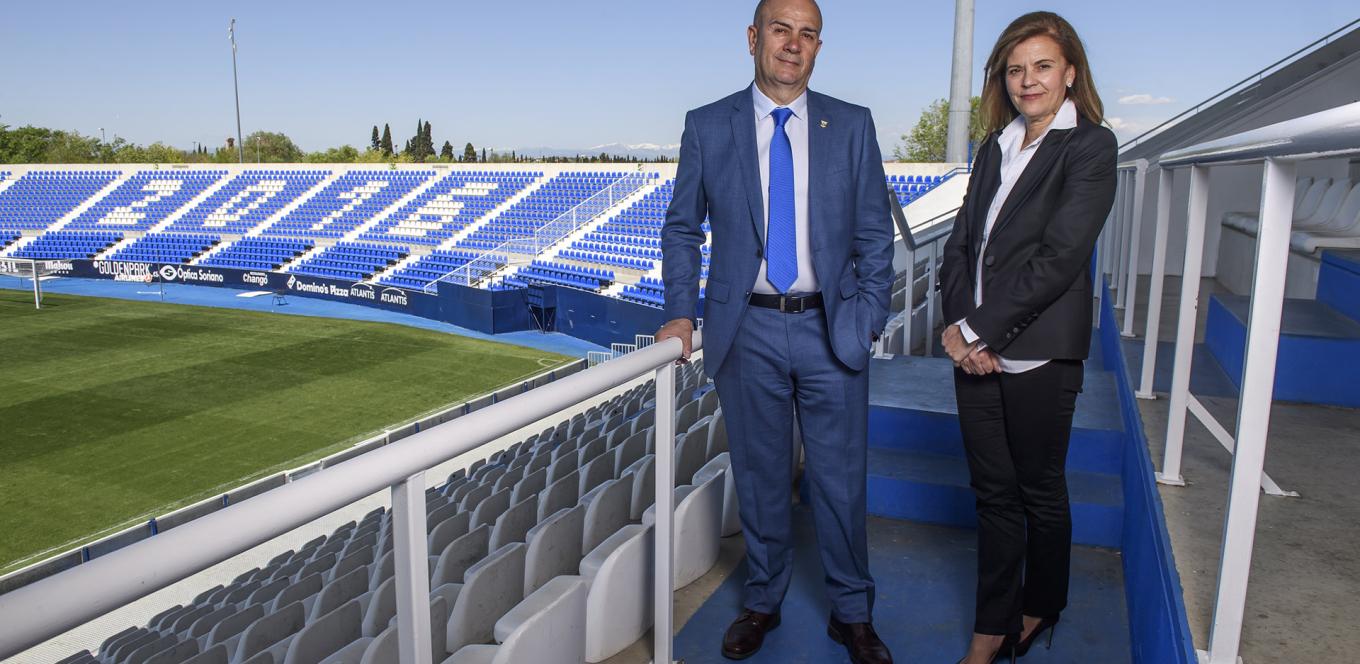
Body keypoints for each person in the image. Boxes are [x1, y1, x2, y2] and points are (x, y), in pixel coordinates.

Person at [657, 0, 894, 661]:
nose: (793, 43)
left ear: (818, 47)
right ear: (753, 37)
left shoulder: (851, 123)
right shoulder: (708, 125)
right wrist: (681, 310)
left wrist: (869, 315)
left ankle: (852, 612)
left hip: (832, 327)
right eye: (780, 30)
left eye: (807, 33)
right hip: (747, 330)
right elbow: (682, 228)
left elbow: (875, 233)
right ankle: (763, 600)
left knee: (841, 481)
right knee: (760, 477)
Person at [938, 11, 1117, 664]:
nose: (1028, 80)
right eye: (1015, 69)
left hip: (1041, 349)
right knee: (993, 494)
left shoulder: (1091, 147)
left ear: (1070, 72)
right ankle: (990, 628)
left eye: (1042, 66)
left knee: (1039, 489)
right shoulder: (994, 146)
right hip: (975, 350)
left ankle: (1042, 602)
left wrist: (977, 329)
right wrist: (964, 332)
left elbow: (1059, 259)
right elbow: (962, 245)